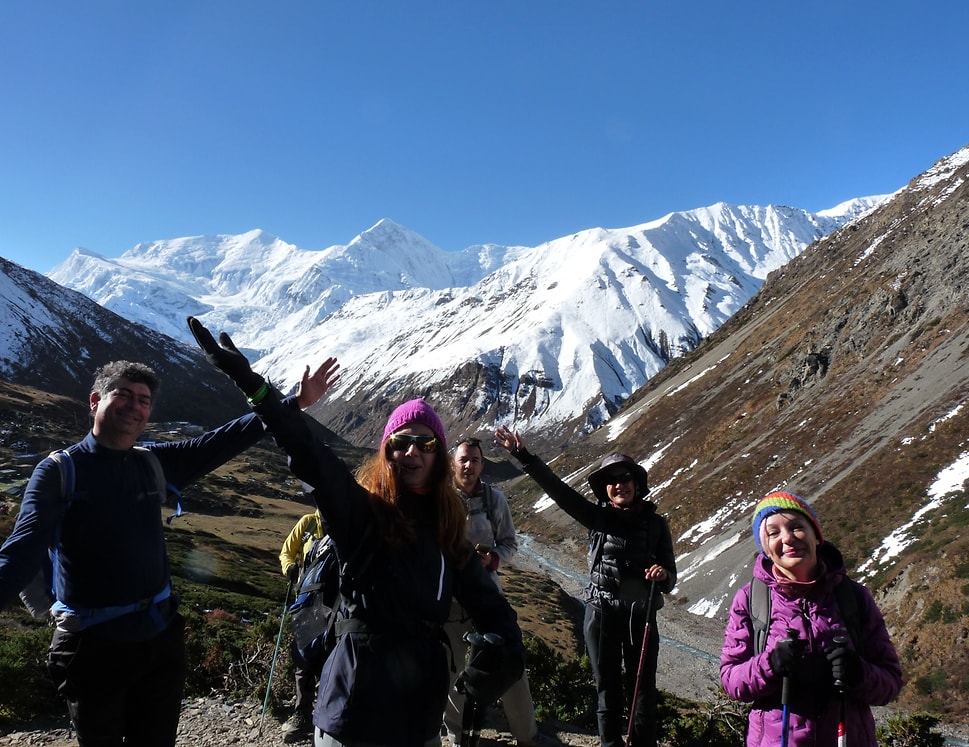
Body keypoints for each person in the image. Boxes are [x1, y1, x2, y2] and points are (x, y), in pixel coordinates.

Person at [187, 317, 525, 747]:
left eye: (425, 443)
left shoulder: (447, 532)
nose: (411, 452)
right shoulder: (360, 514)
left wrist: (506, 651)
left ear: (439, 456)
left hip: (419, 715)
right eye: (400, 443)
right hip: (352, 708)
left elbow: (491, 606)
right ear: (386, 453)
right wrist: (254, 387)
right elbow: (308, 453)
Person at [0, 360, 265, 747]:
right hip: (92, 647)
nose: (134, 406)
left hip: (160, 639)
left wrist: (292, 403)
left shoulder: (152, 462)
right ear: (95, 400)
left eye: (143, 400)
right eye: (122, 395)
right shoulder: (58, 471)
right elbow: (20, 553)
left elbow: (220, 442)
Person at [493, 426, 676, 747]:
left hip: (640, 616)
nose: (619, 485)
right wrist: (523, 455)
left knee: (642, 688)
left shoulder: (657, 524)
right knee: (607, 687)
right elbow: (558, 491)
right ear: (605, 489)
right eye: (612, 481)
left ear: (637, 485)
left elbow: (671, 577)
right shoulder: (596, 517)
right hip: (601, 614)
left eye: (625, 479)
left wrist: (663, 576)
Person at [720, 491, 903, 747]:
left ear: (817, 536)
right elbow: (732, 680)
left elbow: (891, 682)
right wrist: (769, 663)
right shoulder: (751, 599)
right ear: (765, 549)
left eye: (796, 527)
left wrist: (857, 671)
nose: (787, 538)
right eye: (773, 533)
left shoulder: (854, 597)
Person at [442, 438, 557, 747]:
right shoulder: (437, 501)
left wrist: (493, 559)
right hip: (449, 601)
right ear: (453, 463)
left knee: (509, 662)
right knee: (452, 669)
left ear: (482, 464)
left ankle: (527, 736)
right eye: (464, 459)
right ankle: (457, 735)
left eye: (476, 460)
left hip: (487, 597)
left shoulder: (496, 501)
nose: (469, 465)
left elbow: (509, 542)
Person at [279, 509, 326, 741]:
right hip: (307, 599)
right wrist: (289, 567)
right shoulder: (308, 523)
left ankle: (327, 716)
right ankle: (302, 714)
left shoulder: (345, 518)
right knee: (303, 659)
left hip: (334, 600)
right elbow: (287, 552)